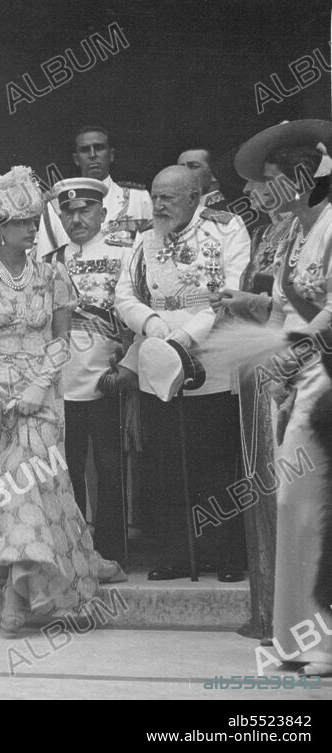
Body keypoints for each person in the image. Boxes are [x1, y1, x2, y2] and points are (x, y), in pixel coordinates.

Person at [0, 167, 124, 636]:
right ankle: (28, 584)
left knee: (37, 482)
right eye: (22, 222)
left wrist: (36, 387)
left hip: (43, 389)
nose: (31, 230)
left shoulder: (53, 273)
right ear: (0, 226)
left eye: (34, 221)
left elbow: (61, 337)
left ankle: (16, 593)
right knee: (9, 486)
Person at [215, 119, 332, 676]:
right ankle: (296, 636)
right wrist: (259, 316)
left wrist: (294, 348)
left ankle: (324, 640)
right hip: (299, 380)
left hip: (326, 379)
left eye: (275, 179)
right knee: (295, 504)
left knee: (311, 506)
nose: (265, 190)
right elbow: (285, 307)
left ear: (304, 177)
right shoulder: (294, 233)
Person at [114, 165, 251, 582]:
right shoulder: (143, 239)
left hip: (210, 363)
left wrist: (183, 338)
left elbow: (230, 293)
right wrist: (156, 329)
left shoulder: (228, 230)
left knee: (214, 464)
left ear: (195, 197)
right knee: (165, 466)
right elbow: (124, 295)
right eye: (155, 196)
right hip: (157, 365)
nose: (158, 204)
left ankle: (226, 555)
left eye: (168, 197)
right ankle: (176, 553)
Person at [43, 178, 132, 565]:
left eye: (85, 210)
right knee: (68, 471)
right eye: (69, 211)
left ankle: (114, 551)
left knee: (112, 470)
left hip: (108, 380)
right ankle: (77, 551)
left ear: (103, 213)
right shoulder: (48, 261)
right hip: (62, 383)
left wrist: (128, 363)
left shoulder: (125, 253)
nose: (76, 218)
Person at [36, 126, 153, 257]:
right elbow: (44, 263)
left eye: (99, 148)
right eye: (85, 150)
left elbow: (154, 249)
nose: (92, 155)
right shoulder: (55, 206)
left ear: (111, 155)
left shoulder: (138, 198)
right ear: (76, 159)